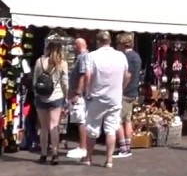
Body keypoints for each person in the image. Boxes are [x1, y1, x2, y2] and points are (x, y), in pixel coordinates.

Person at [80, 31, 128, 168]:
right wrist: (121, 88)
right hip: (114, 97)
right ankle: (109, 160)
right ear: (110, 41)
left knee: (92, 129)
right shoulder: (120, 56)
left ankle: (88, 157)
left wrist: (87, 91)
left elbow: (88, 76)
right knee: (111, 129)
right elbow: (127, 75)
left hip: (97, 97)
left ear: (98, 41)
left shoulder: (92, 56)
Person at [32, 39, 70, 166]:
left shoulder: (39, 61)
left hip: (41, 97)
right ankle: (55, 154)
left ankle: (43, 154)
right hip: (56, 96)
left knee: (43, 127)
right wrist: (66, 98)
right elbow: (65, 83)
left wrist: (36, 95)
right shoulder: (62, 63)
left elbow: (35, 81)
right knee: (54, 126)